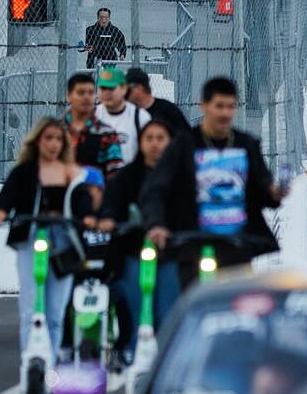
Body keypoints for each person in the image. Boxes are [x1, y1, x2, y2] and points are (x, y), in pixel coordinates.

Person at [141, 76, 283, 281]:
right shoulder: (184, 144)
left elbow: (262, 189)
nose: (225, 113)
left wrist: (273, 193)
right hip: (194, 245)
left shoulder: (246, 144)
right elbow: (156, 188)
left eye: (230, 106)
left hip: (237, 246)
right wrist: (156, 224)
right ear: (204, 106)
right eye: (219, 106)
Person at [0, 117, 80, 372]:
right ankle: (29, 360)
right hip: (31, 238)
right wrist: (0, 211)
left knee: (55, 310)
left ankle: (50, 361)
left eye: (58, 139)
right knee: (29, 306)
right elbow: (7, 196)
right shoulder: (24, 171)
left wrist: (88, 216)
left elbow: (83, 199)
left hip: (63, 242)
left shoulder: (70, 171)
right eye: (48, 138)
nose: (53, 144)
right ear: (38, 141)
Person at [100, 116, 181, 348]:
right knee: (134, 311)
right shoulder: (128, 176)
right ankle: (130, 355)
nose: (155, 143)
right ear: (141, 142)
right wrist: (107, 218)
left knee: (167, 312)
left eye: (160, 138)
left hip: (170, 254)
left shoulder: (182, 176)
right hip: (133, 251)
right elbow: (111, 203)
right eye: (149, 138)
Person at [64, 72, 123, 179]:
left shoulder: (106, 133)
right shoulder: (55, 131)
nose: (86, 97)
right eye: (81, 93)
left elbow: (115, 173)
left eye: (91, 93)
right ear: (69, 96)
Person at [122, 67, 188, 138]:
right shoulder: (127, 111)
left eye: (127, 89)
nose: (124, 93)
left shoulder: (168, 110)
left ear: (139, 88)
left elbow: (186, 136)